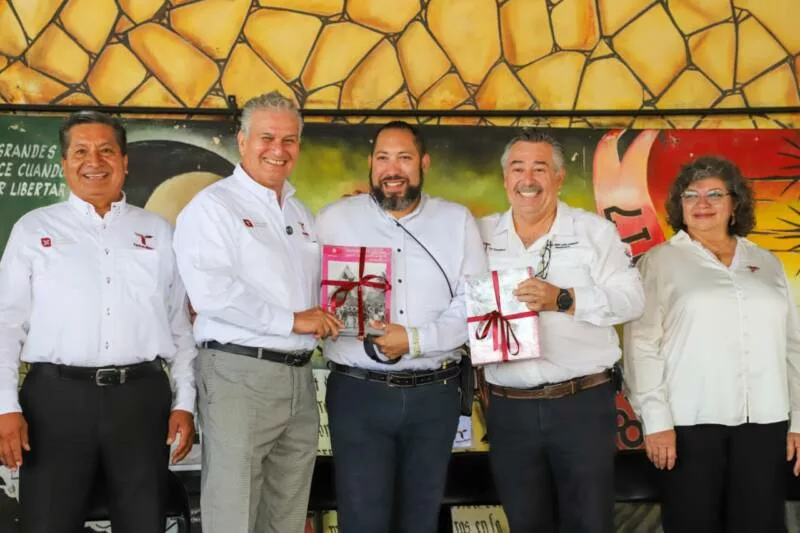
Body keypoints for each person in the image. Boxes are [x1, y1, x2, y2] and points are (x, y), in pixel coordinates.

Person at [0, 111, 197, 533]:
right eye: (81, 152)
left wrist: (184, 402)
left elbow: (180, 327)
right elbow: (5, 325)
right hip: (55, 402)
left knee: (143, 522)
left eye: (106, 150)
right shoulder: (33, 230)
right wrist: (5, 407)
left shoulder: (158, 232)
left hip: (141, 400)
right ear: (64, 163)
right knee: (47, 523)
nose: (94, 161)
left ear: (125, 161)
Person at [173, 91, 341, 533]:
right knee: (233, 511)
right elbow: (211, 292)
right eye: (267, 137)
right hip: (239, 374)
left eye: (289, 140)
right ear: (243, 141)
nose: (278, 149)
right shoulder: (214, 207)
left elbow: (321, 290)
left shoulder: (300, 212)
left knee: (287, 511)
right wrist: (293, 320)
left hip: (299, 376)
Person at [315, 121, 487, 533]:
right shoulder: (334, 219)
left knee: (421, 519)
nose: (392, 169)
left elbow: (474, 303)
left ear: (424, 163)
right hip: (358, 393)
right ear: (371, 164)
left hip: (435, 394)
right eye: (383, 158)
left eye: (404, 158)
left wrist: (413, 340)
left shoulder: (456, 221)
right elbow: (304, 289)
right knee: (362, 519)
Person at [477, 129, 644, 533]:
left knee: (590, 522)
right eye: (517, 168)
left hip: (580, 404)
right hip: (508, 407)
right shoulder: (479, 235)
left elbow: (631, 301)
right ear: (505, 178)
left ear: (559, 177)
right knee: (526, 523)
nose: (527, 179)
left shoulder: (594, 232)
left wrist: (564, 299)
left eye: (539, 168)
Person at [623, 155, 800, 533]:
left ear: (735, 203)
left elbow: (792, 346)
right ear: (679, 206)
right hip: (689, 424)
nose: (702, 203)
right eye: (691, 195)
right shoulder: (659, 262)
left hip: (766, 422)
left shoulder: (766, 262)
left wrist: (799, 420)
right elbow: (641, 346)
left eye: (715, 194)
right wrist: (656, 421)